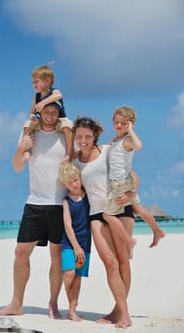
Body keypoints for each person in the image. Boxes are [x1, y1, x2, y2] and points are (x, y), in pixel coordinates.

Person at [0, 102, 71, 318]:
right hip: (34, 203)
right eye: (46, 111)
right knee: (20, 253)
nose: (50, 115)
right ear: (40, 112)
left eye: (54, 112)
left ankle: (53, 304)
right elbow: (18, 167)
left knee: (56, 256)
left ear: (59, 114)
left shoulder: (65, 134)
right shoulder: (29, 133)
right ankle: (16, 303)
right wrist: (21, 147)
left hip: (59, 204)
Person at [72, 116, 135, 329]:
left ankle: (119, 312)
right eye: (79, 136)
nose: (83, 140)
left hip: (120, 209)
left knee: (123, 262)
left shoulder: (108, 151)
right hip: (96, 214)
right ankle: (123, 313)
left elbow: (132, 175)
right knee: (110, 263)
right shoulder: (74, 161)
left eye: (87, 136)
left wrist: (129, 193)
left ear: (95, 136)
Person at [102, 106, 165, 252]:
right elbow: (104, 150)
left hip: (120, 183)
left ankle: (128, 240)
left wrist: (130, 130)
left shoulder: (127, 140)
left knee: (107, 215)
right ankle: (157, 230)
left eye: (124, 123)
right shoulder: (114, 141)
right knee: (138, 208)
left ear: (130, 124)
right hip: (126, 180)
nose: (119, 125)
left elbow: (139, 146)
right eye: (116, 122)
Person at [58, 163, 91, 322]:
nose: (74, 184)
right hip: (69, 243)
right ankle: (71, 300)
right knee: (69, 273)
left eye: (76, 180)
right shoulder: (66, 201)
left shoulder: (89, 196)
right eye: (70, 182)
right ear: (64, 185)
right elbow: (67, 225)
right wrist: (76, 246)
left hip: (85, 244)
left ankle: (72, 310)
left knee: (77, 277)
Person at [22, 64, 73, 164]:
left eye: (37, 81)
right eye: (33, 82)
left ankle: (69, 154)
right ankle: (27, 150)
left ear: (48, 81)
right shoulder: (35, 97)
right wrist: (33, 118)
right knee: (28, 125)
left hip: (59, 119)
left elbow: (59, 96)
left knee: (68, 126)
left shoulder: (54, 91)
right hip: (43, 120)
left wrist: (43, 103)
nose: (34, 85)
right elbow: (32, 112)